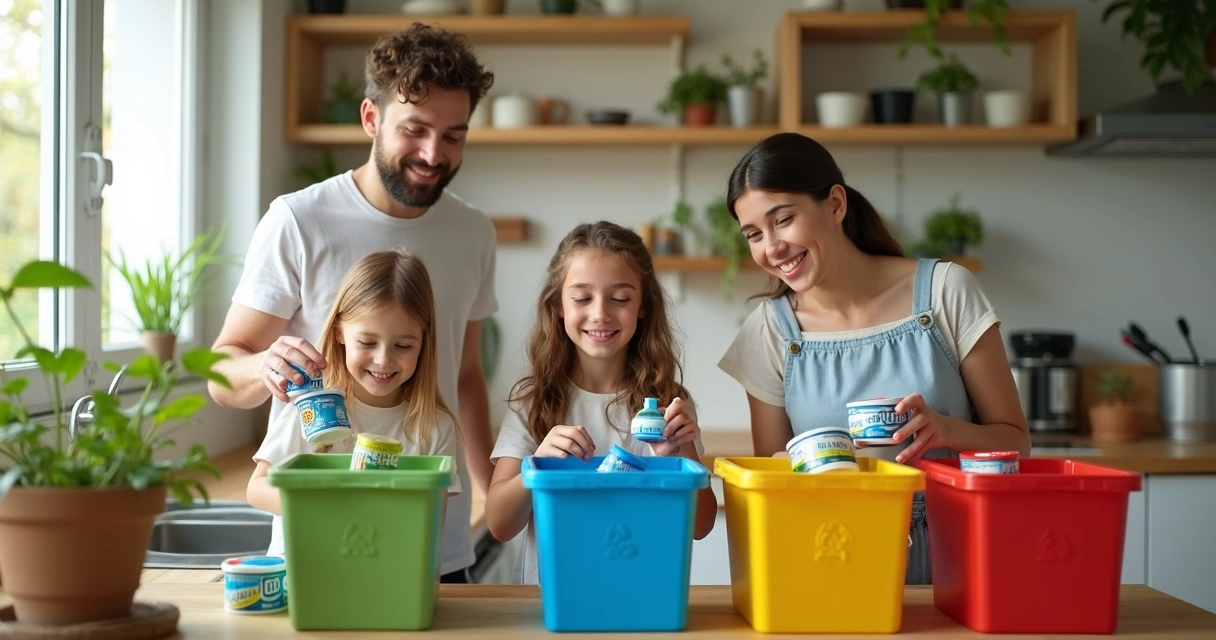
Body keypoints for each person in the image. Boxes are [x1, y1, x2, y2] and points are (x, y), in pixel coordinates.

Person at [209, 24, 496, 583]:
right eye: (415, 130)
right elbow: (223, 368)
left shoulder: (473, 232)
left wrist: (496, 498)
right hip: (324, 542)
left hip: (436, 547)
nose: (434, 153)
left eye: (454, 135)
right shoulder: (298, 220)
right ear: (371, 118)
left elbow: (465, 377)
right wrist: (261, 365)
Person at [717, 132, 1029, 585]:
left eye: (782, 220)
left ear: (836, 204)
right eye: (753, 234)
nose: (771, 248)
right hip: (834, 555)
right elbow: (774, 475)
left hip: (959, 555)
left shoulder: (945, 291)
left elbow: (1016, 442)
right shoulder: (768, 332)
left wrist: (945, 429)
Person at [485, 221, 717, 585]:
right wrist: (538, 465)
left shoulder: (668, 402)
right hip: (554, 602)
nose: (600, 314)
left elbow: (700, 526)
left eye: (620, 299)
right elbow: (499, 524)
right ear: (558, 306)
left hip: (641, 595)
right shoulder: (532, 402)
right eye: (581, 298)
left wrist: (681, 452)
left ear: (643, 306)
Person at [248, 250, 463, 559]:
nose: (383, 359)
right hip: (302, 577)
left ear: (423, 343)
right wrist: (333, 507)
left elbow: (428, 536)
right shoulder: (312, 410)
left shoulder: (434, 427)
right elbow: (257, 488)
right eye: (367, 342)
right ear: (340, 333)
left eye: (403, 345)